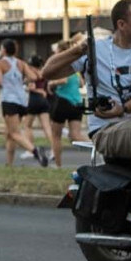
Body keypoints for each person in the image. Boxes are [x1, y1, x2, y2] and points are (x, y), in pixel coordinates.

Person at [44, 0, 131, 226]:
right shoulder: (97, 50)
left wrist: (122, 109)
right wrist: (80, 49)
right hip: (106, 129)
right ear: (122, 24)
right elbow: (48, 72)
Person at [0, 39, 50, 168]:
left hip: (9, 99)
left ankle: (35, 151)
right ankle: (9, 164)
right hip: (22, 100)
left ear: (4, 50)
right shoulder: (21, 63)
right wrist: (20, 80)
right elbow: (34, 77)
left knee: (14, 133)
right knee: (9, 134)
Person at [48, 36, 86, 169]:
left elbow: (63, 80)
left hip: (63, 100)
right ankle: (97, 147)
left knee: (56, 135)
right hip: (77, 102)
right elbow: (81, 83)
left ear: (60, 51)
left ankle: (58, 165)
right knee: (76, 135)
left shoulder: (62, 64)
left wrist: (52, 82)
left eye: (56, 50)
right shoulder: (75, 65)